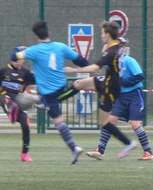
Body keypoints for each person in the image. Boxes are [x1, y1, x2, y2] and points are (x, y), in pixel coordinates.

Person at [14, 21, 89, 164]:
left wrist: (21, 49)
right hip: (60, 86)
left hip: (48, 92)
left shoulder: (34, 50)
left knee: (58, 121)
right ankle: (40, 100)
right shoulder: (61, 47)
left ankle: (74, 147)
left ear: (36, 36)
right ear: (49, 33)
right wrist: (87, 67)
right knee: (49, 98)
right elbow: (81, 60)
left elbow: (15, 56)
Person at [62, 21, 137, 159]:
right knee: (78, 84)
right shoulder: (118, 43)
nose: (101, 36)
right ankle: (53, 101)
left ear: (108, 35)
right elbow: (121, 40)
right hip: (107, 81)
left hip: (110, 88)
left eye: (103, 33)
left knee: (103, 122)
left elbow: (94, 68)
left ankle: (129, 143)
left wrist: (74, 69)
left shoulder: (111, 52)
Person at [85, 38, 153, 160]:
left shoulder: (129, 61)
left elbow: (139, 76)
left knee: (135, 123)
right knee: (109, 121)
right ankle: (100, 150)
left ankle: (148, 152)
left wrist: (122, 82)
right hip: (121, 97)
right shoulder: (113, 64)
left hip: (134, 96)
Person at [0, 46, 37, 162]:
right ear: (12, 60)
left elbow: (38, 79)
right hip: (4, 98)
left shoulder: (25, 73)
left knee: (25, 125)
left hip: (19, 101)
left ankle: (24, 154)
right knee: (9, 103)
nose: (18, 63)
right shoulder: (3, 71)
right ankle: (10, 112)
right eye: (16, 61)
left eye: (20, 60)